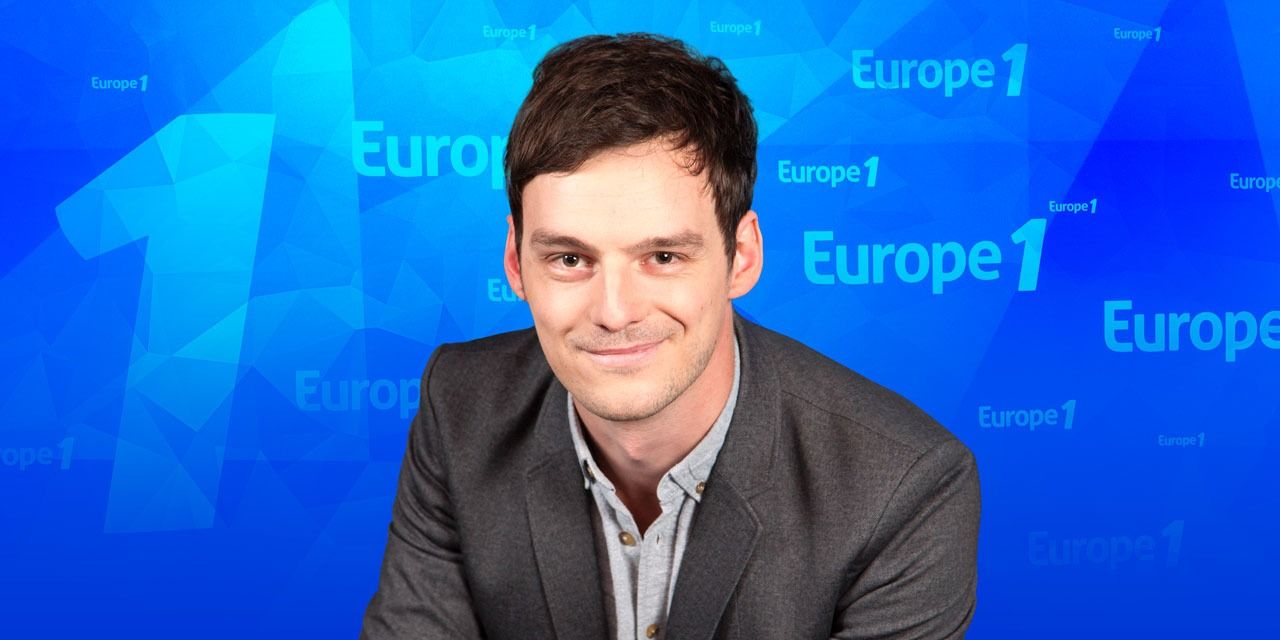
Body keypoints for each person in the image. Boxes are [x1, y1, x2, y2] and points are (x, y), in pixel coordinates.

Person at [360, 33, 980, 640]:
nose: (614, 312)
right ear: (515, 264)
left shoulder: (904, 488)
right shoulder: (459, 408)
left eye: (662, 256)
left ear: (741, 256)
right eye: (570, 259)